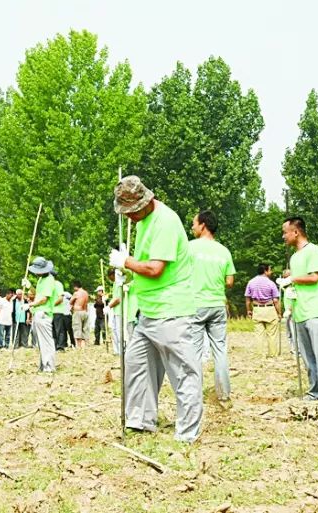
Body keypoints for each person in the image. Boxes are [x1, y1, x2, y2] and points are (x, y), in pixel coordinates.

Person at [110, 175, 202, 443]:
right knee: (136, 364)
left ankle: (187, 433)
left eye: (131, 212)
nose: (128, 217)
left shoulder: (165, 221)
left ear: (144, 202)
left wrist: (126, 262)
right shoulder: (144, 221)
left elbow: (155, 268)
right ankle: (139, 420)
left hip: (171, 311)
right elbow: (145, 265)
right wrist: (128, 275)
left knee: (183, 373)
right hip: (148, 312)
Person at [281, 217, 318, 402]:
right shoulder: (295, 257)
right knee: (308, 357)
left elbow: (314, 277)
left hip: (316, 311)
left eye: (285, 232)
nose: (283, 236)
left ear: (296, 232)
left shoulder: (313, 251)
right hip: (300, 312)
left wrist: (293, 279)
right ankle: (315, 390)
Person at [187, 210, 235, 402]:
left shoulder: (189, 248)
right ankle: (224, 393)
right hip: (217, 304)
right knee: (220, 350)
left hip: (195, 305)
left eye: (194, 223)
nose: (192, 227)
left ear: (203, 225)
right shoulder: (224, 250)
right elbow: (230, 281)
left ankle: (194, 394)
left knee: (195, 352)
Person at [27, 257, 58, 373]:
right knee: (40, 342)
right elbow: (38, 294)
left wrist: (30, 305)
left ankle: (49, 366)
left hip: (44, 313)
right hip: (38, 313)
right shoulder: (41, 280)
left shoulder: (49, 280)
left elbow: (44, 299)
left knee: (46, 341)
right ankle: (43, 364)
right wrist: (30, 286)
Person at [244, 264, 281, 357]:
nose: (271, 272)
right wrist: (279, 313)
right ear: (265, 271)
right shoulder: (271, 283)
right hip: (269, 309)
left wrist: (249, 310)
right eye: (270, 270)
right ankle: (272, 354)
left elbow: (248, 300)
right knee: (272, 334)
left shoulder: (251, 282)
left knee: (258, 334)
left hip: (257, 309)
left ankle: (259, 354)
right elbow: (276, 300)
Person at [277, 269, 298, 354]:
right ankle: (292, 348)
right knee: (289, 332)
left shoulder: (293, 288)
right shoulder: (285, 287)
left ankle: (297, 349)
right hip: (287, 312)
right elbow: (280, 281)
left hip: (292, 312)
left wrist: (290, 309)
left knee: (294, 331)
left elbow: (295, 300)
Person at [71, 281, 90, 350]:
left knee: (77, 328)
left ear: (75, 286)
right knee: (85, 329)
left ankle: (78, 346)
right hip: (85, 312)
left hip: (78, 312)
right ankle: (84, 346)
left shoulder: (76, 293)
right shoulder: (86, 293)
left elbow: (71, 301)